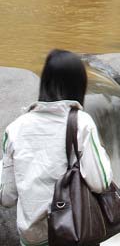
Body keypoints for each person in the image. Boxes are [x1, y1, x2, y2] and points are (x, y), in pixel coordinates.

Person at [0, 49, 112, 246]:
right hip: (75, 231)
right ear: (79, 85)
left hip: (33, 237)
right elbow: (101, 182)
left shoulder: (15, 128)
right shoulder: (82, 123)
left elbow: (6, 196)